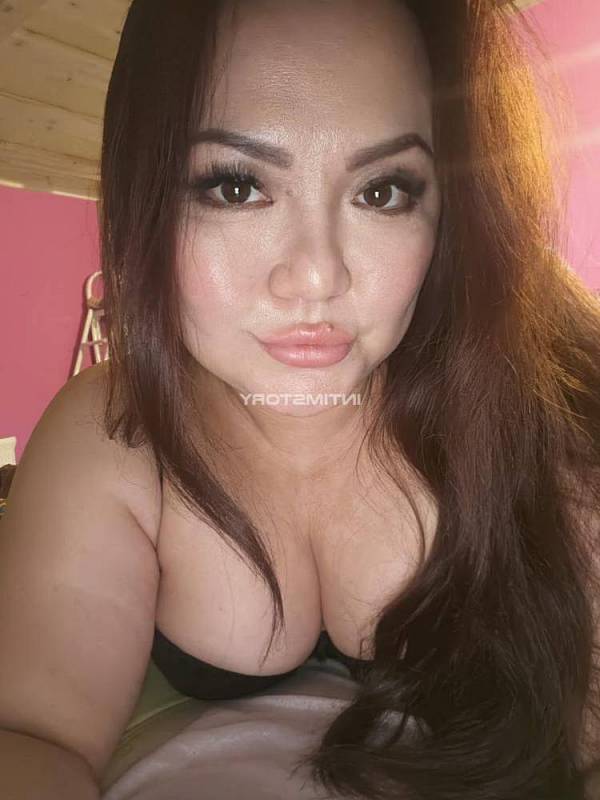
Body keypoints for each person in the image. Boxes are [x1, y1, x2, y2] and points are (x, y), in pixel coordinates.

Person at [2, 0, 600, 797]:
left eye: (383, 192)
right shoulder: (111, 434)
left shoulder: (544, 411)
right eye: (237, 186)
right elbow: (33, 739)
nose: (317, 276)